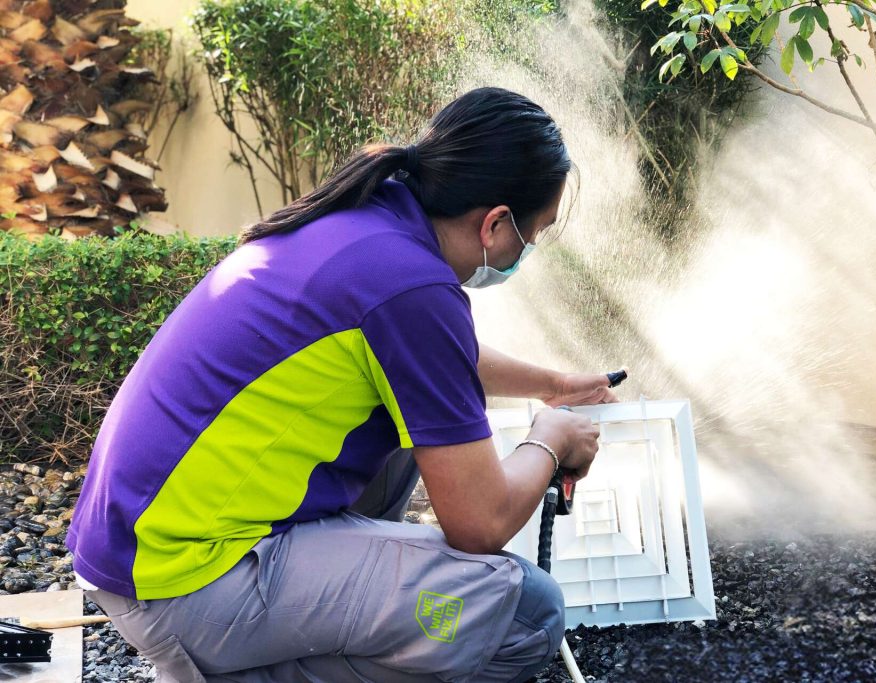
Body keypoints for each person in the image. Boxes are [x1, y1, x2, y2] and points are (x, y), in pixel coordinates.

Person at [66, 86, 616, 682]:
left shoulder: (371, 220)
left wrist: (553, 384)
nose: (528, 249)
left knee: (413, 433)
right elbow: (480, 522)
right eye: (534, 234)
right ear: (495, 224)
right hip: (184, 581)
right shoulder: (413, 286)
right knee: (525, 614)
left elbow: (433, 357)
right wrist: (549, 439)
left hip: (137, 547)